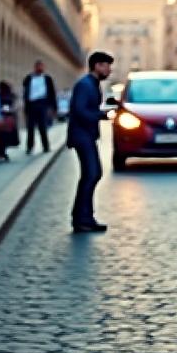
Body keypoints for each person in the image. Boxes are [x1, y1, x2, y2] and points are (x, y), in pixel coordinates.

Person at [68, 51, 114, 233]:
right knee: (92, 174)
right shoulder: (85, 85)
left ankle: (83, 217)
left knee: (92, 174)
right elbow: (80, 110)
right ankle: (82, 218)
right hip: (81, 136)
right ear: (97, 66)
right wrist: (102, 115)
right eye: (106, 66)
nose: (109, 70)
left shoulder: (92, 84)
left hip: (86, 135)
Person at [21, 59, 57, 154]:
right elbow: (25, 91)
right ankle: (29, 147)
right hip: (31, 104)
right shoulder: (29, 78)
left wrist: (53, 107)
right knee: (30, 127)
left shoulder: (47, 78)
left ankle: (46, 146)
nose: (40, 68)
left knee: (42, 126)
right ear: (35, 67)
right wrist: (25, 105)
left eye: (42, 66)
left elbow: (52, 93)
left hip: (42, 104)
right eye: (38, 66)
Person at [0, 81, 20, 163]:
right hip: (7, 119)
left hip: (2, 119)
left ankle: (0, 154)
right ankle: (2, 154)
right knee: (3, 137)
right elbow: (16, 106)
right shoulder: (10, 96)